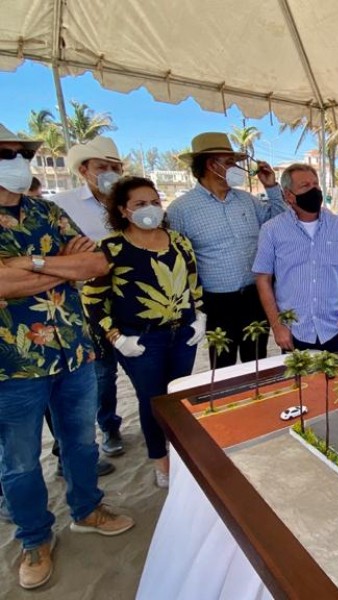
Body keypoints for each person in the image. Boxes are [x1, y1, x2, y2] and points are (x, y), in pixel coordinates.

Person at [0, 124, 134, 590]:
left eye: (21, 152)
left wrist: (29, 264)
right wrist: (61, 268)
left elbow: (96, 265)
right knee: (19, 461)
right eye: (5, 153)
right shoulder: (55, 219)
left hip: (74, 351)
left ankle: (87, 509)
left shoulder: (45, 211)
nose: (18, 161)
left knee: (80, 443)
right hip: (12, 365)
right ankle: (35, 539)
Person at [82, 177, 204, 488]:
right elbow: (92, 299)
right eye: (140, 204)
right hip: (141, 339)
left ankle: (180, 453)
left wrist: (199, 315)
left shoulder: (179, 241)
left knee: (177, 397)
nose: (150, 208)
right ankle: (159, 461)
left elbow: (193, 281)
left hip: (183, 335)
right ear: (123, 210)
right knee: (152, 399)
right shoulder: (111, 248)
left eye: (154, 202)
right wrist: (116, 337)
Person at [168, 132, 284, 368]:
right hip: (216, 302)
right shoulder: (181, 210)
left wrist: (271, 186)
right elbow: (174, 260)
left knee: (257, 361)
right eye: (230, 162)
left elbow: (279, 220)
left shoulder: (247, 200)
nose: (237, 168)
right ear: (211, 165)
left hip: (254, 297)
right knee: (223, 364)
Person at [52, 136, 126, 462]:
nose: (110, 172)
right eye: (103, 167)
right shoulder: (62, 204)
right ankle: (108, 426)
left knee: (140, 364)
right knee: (102, 371)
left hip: (130, 299)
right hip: (86, 303)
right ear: (84, 169)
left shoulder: (129, 201)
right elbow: (59, 256)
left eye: (115, 167)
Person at [253, 163, 338, 352]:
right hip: (294, 332)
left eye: (316, 184)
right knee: (300, 382)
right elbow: (262, 279)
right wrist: (277, 326)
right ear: (289, 195)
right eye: (305, 186)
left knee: (337, 381)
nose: (314, 190)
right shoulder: (272, 230)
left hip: (335, 328)